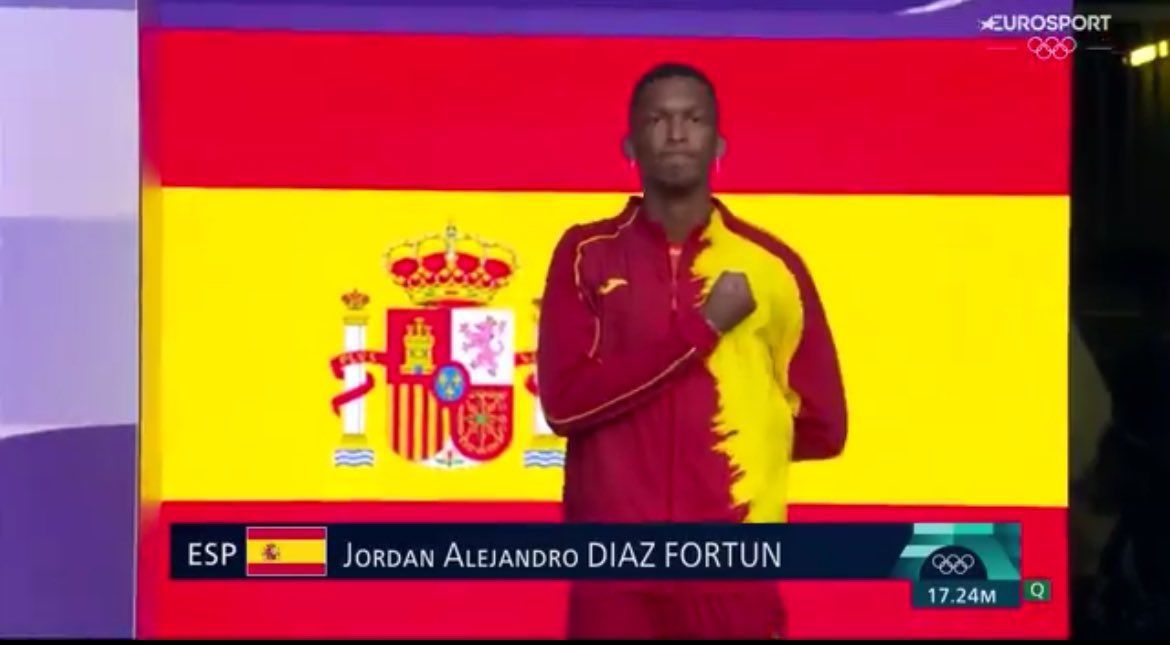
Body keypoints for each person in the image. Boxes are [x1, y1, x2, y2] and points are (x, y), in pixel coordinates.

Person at [536, 62, 848, 640]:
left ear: (719, 144)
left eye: (694, 119)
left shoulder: (771, 266)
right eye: (658, 119)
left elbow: (823, 425)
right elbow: (566, 404)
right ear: (630, 145)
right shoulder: (586, 254)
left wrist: (722, 472)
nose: (677, 133)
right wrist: (702, 330)